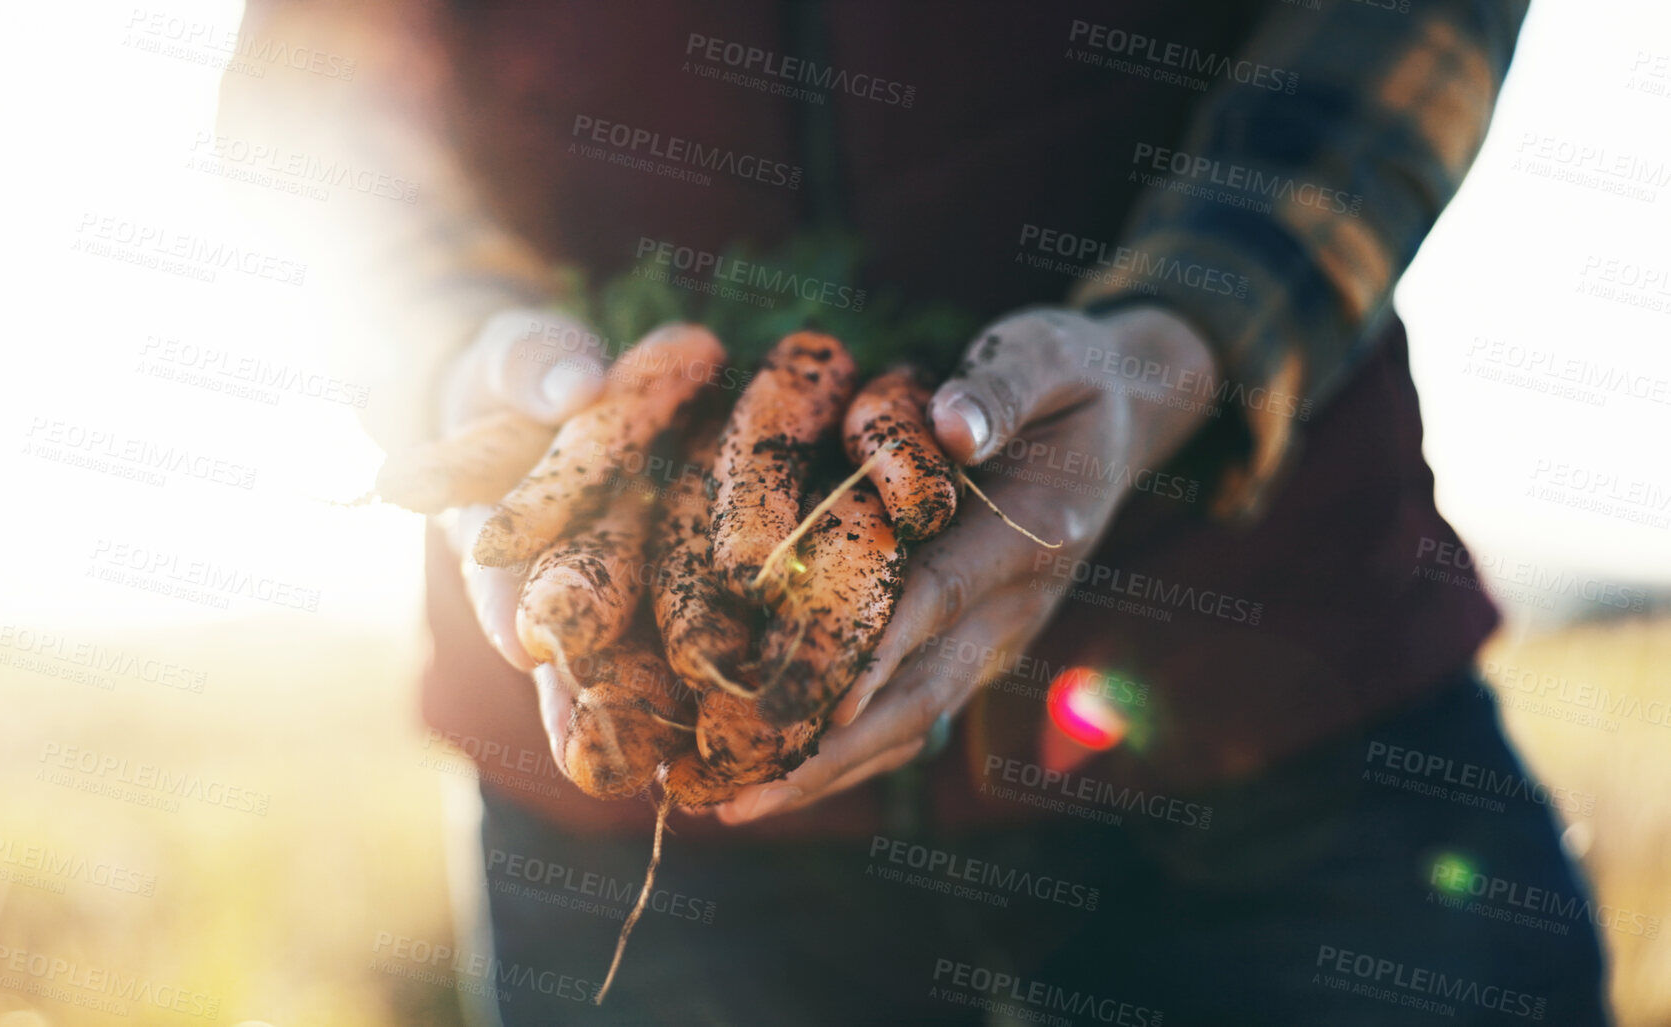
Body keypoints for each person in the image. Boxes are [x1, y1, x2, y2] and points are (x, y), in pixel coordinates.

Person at [223, 1, 1610, 1022]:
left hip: (1274, 704)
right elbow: (323, 91)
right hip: (626, 738)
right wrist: (455, 346)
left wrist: (1177, 338)